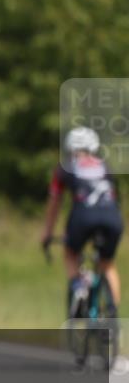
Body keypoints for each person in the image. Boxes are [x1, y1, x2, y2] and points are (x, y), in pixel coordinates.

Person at [42, 126, 123, 316]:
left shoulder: (65, 167)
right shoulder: (105, 166)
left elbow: (55, 202)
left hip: (82, 218)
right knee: (107, 263)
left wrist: (47, 232)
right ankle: (112, 313)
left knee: (70, 254)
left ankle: (78, 287)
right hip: (113, 218)